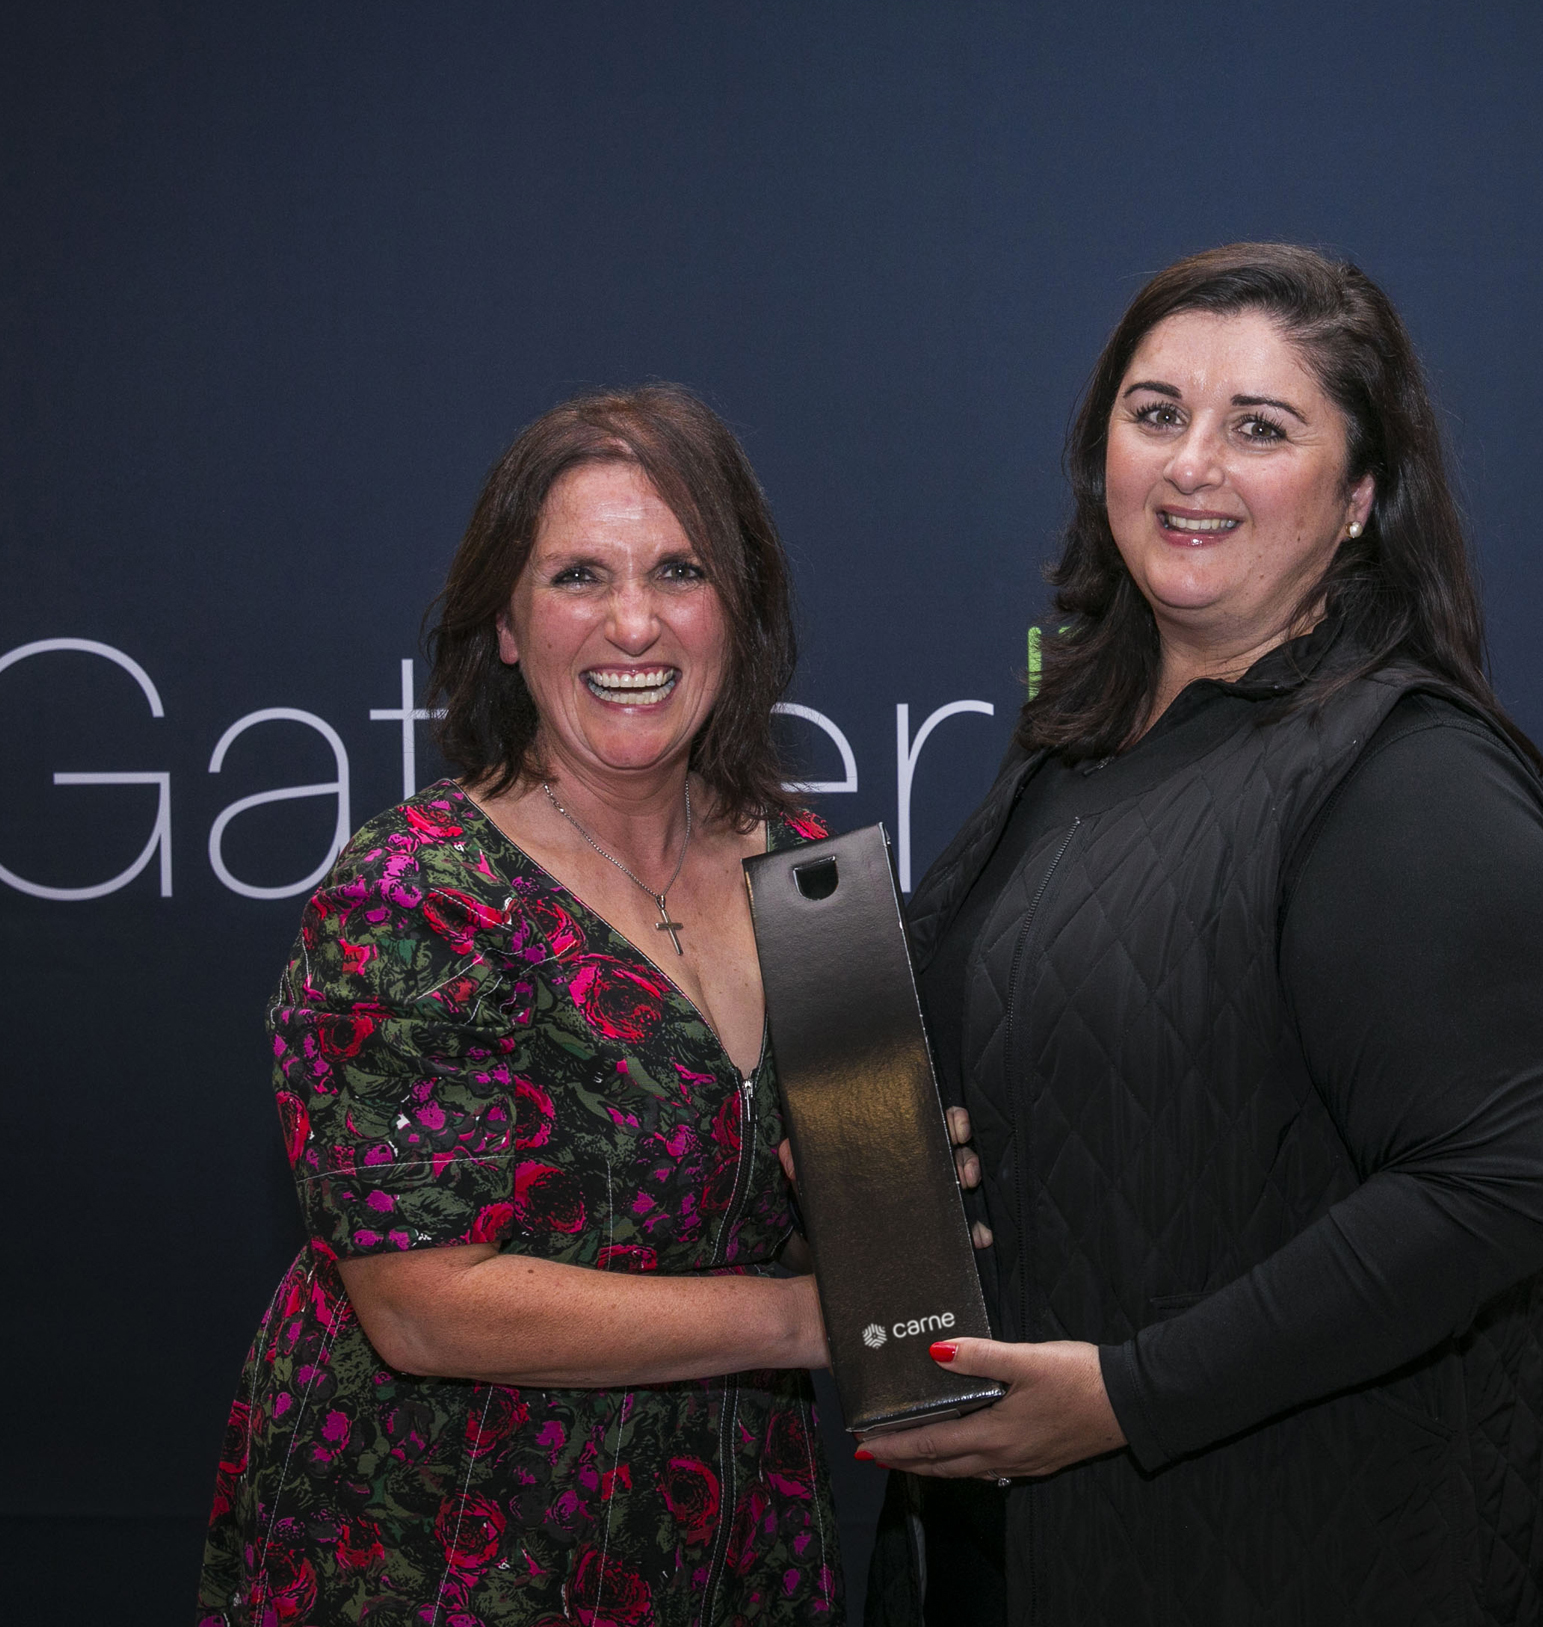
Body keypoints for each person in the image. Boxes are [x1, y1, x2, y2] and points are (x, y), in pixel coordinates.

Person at [859, 245, 1543, 1624]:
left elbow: (1492, 1190)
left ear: (1361, 496)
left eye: (1261, 428)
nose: (1193, 465)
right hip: (1019, 1545)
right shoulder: (1076, 740)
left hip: (1292, 1549)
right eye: (1156, 413)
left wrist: (1129, 1399)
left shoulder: (1408, 768)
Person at [199, 385, 969, 1626]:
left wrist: (887, 1198)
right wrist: (808, 1313)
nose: (632, 621)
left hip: (732, 1540)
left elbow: (804, 1213)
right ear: (505, 622)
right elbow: (421, 1305)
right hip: (449, 1550)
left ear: (739, 607)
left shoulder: (810, 873)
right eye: (575, 576)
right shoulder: (417, 894)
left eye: (680, 568)